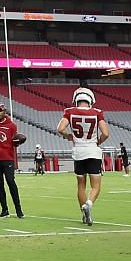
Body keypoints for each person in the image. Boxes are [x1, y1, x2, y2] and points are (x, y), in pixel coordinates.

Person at [56, 87, 109, 226]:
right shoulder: (97, 112)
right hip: (93, 151)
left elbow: (60, 128)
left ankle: (84, 215)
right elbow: (106, 133)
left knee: (81, 185)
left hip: (78, 152)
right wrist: (99, 141)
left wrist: (69, 136)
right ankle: (89, 204)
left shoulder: (69, 111)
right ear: (90, 99)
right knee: (96, 186)